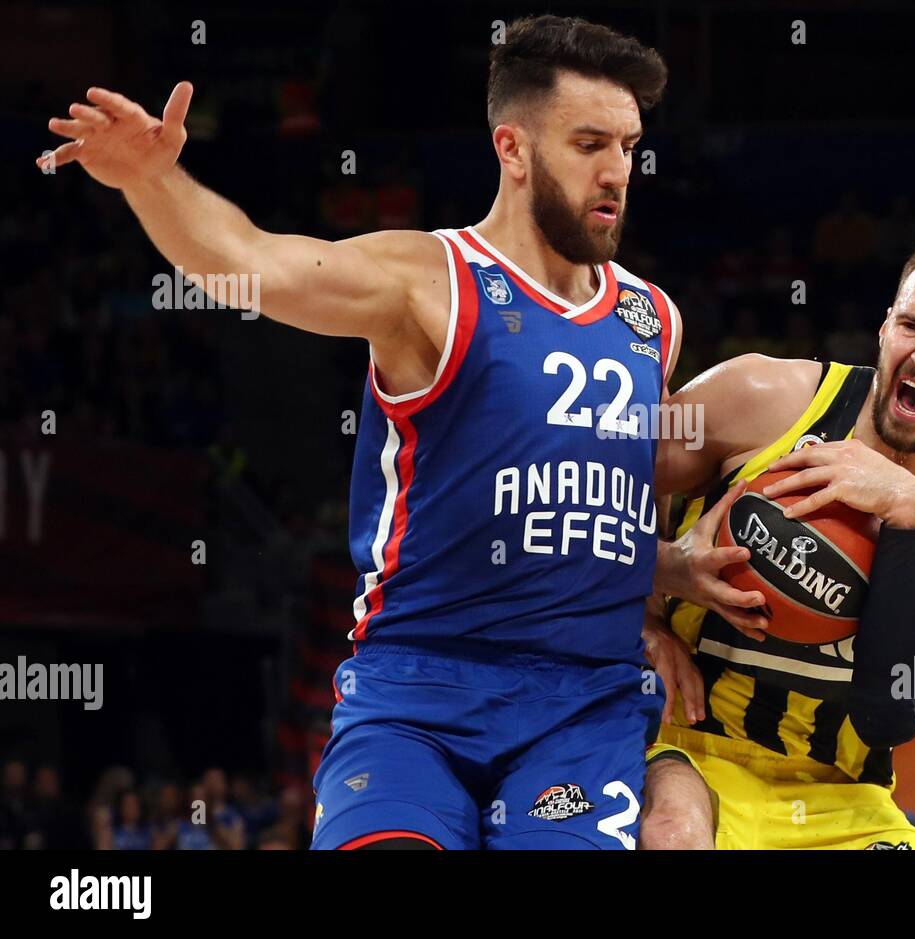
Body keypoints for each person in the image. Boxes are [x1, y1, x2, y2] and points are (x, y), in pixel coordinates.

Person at [41, 14, 682, 850]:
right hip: (416, 693)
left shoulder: (652, 320)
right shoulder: (428, 282)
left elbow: (626, 508)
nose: (616, 172)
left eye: (629, 146)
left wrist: (663, 602)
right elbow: (253, 264)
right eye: (590, 143)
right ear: (514, 148)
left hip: (582, 707)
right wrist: (150, 181)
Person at [641, 234, 915, 848]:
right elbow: (578, 490)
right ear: (885, 327)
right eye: (912, 325)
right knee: (675, 835)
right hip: (687, 751)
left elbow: (893, 711)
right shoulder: (764, 396)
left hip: (845, 797)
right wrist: (650, 599)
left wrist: (909, 515)